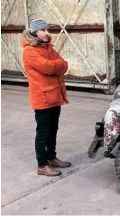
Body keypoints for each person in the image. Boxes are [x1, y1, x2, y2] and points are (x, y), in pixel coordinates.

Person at [21, 19, 72, 177]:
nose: (47, 33)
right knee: (43, 132)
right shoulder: (30, 51)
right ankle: (42, 165)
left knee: (53, 129)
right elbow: (49, 67)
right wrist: (55, 66)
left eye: (47, 30)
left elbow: (64, 64)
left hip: (55, 96)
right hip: (42, 99)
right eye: (43, 30)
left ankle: (51, 158)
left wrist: (55, 65)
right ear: (35, 32)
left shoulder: (48, 48)